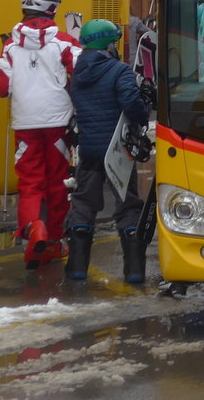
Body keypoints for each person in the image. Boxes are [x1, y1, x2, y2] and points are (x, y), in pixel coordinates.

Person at [0, 0, 80, 269]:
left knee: (30, 183)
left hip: (25, 124)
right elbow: (81, 74)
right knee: (57, 182)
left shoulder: (9, 45)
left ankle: (33, 231)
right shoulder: (65, 42)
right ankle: (54, 242)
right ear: (53, 8)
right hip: (57, 122)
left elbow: (1, 88)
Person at [64, 19, 150, 283]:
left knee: (84, 203)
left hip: (89, 150)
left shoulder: (77, 73)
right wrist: (143, 110)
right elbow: (131, 105)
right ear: (107, 44)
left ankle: (77, 268)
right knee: (128, 207)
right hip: (118, 150)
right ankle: (134, 271)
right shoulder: (119, 71)